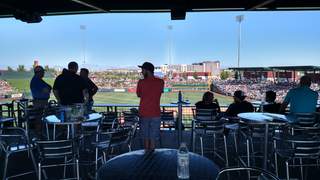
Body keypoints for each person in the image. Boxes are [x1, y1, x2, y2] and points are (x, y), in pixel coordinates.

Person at [136, 62, 164, 152]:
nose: (141, 71)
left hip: (144, 113)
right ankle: (152, 159)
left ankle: (146, 159)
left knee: (146, 139)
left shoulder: (141, 82)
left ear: (147, 70)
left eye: (143, 69)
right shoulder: (161, 82)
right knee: (152, 139)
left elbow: (139, 95)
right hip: (156, 113)